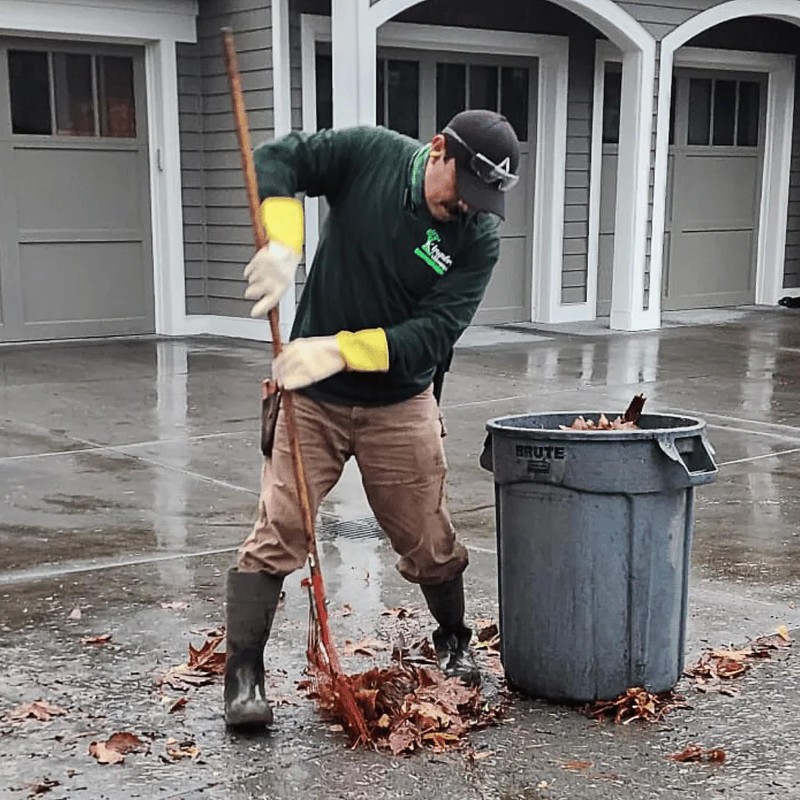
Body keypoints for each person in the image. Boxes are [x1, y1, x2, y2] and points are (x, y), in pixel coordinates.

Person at [224, 110, 521, 729]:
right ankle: (244, 677)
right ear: (438, 150)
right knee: (279, 529)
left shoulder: (477, 238)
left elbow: (431, 336)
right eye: (463, 189)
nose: (467, 207)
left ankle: (454, 638)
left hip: (400, 401)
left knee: (430, 539)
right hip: (312, 400)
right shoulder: (368, 155)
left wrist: (337, 350)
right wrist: (283, 244)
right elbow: (278, 159)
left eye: (481, 199)